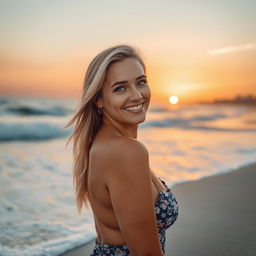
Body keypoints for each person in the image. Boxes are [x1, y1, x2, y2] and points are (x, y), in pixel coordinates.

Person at [66, 45, 179, 256]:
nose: (137, 96)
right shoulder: (127, 152)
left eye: (141, 82)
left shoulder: (101, 143)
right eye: (120, 88)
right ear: (98, 99)